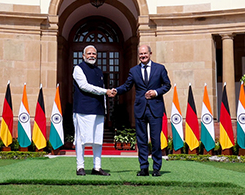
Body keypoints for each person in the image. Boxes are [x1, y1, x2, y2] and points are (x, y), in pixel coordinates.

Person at [113, 44, 171, 177]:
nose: (143, 56)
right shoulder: (134, 71)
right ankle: (144, 167)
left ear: (150, 54)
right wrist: (116, 90)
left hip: (155, 109)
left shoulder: (160, 68)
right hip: (140, 109)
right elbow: (127, 86)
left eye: (145, 53)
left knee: (156, 140)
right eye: (140, 54)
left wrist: (156, 92)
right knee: (141, 140)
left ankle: (157, 168)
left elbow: (167, 85)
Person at [72, 45, 116, 176]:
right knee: (81, 139)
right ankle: (80, 167)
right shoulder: (78, 68)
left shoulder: (98, 71)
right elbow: (84, 86)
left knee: (98, 139)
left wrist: (105, 109)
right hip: (83, 109)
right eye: (89, 53)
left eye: (94, 54)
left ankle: (97, 167)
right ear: (83, 55)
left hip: (98, 109)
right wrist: (105, 91)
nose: (92, 55)